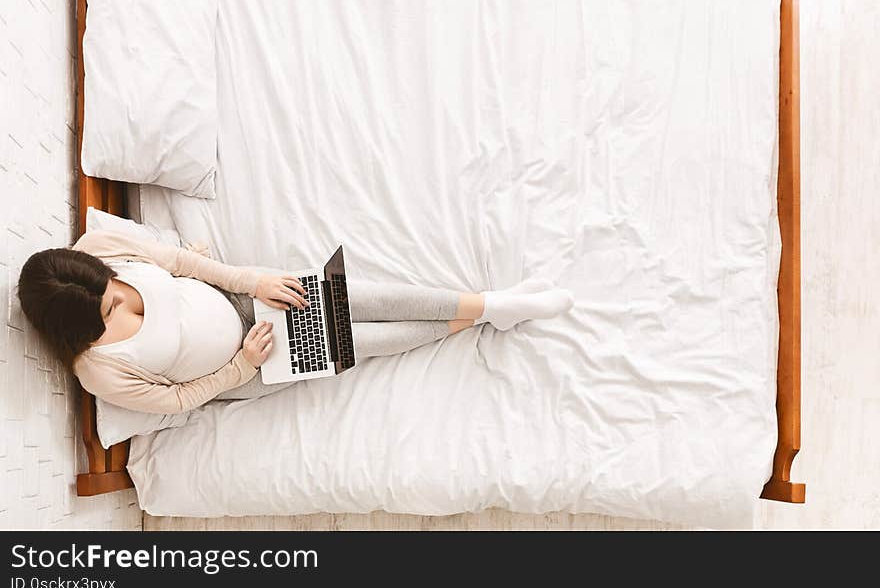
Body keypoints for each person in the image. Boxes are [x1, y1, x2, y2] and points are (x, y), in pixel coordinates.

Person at [16, 229, 574, 415]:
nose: (121, 297)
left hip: (241, 302)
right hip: (252, 368)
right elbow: (179, 401)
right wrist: (242, 365)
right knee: (361, 340)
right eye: (111, 310)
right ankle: (487, 315)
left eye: (114, 286)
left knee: (357, 298)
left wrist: (252, 281)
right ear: (79, 330)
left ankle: (491, 306)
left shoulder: (100, 249)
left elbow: (181, 264)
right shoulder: (100, 371)